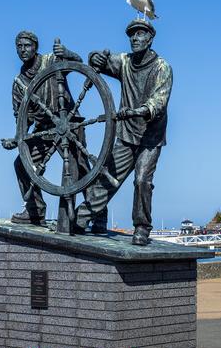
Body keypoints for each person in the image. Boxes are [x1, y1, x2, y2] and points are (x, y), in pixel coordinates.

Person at [73, 19, 173, 246]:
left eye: (140, 35)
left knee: (141, 181)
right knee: (108, 178)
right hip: (127, 134)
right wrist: (94, 57)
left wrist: (138, 111)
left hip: (151, 138)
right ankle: (82, 218)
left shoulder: (162, 68)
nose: (135, 39)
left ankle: (142, 227)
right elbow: (100, 61)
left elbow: (158, 102)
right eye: (132, 35)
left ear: (150, 39)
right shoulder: (125, 62)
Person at [1, 30, 89, 225]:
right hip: (44, 130)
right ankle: (35, 211)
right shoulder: (19, 83)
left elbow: (78, 63)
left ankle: (98, 214)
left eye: (27, 45)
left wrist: (67, 53)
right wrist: (16, 140)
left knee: (82, 168)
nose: (23, 50)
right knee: (22, 163)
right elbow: (22, 119)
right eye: (19, 46)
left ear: (35, 47)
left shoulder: (50, 61)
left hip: (69, 124)